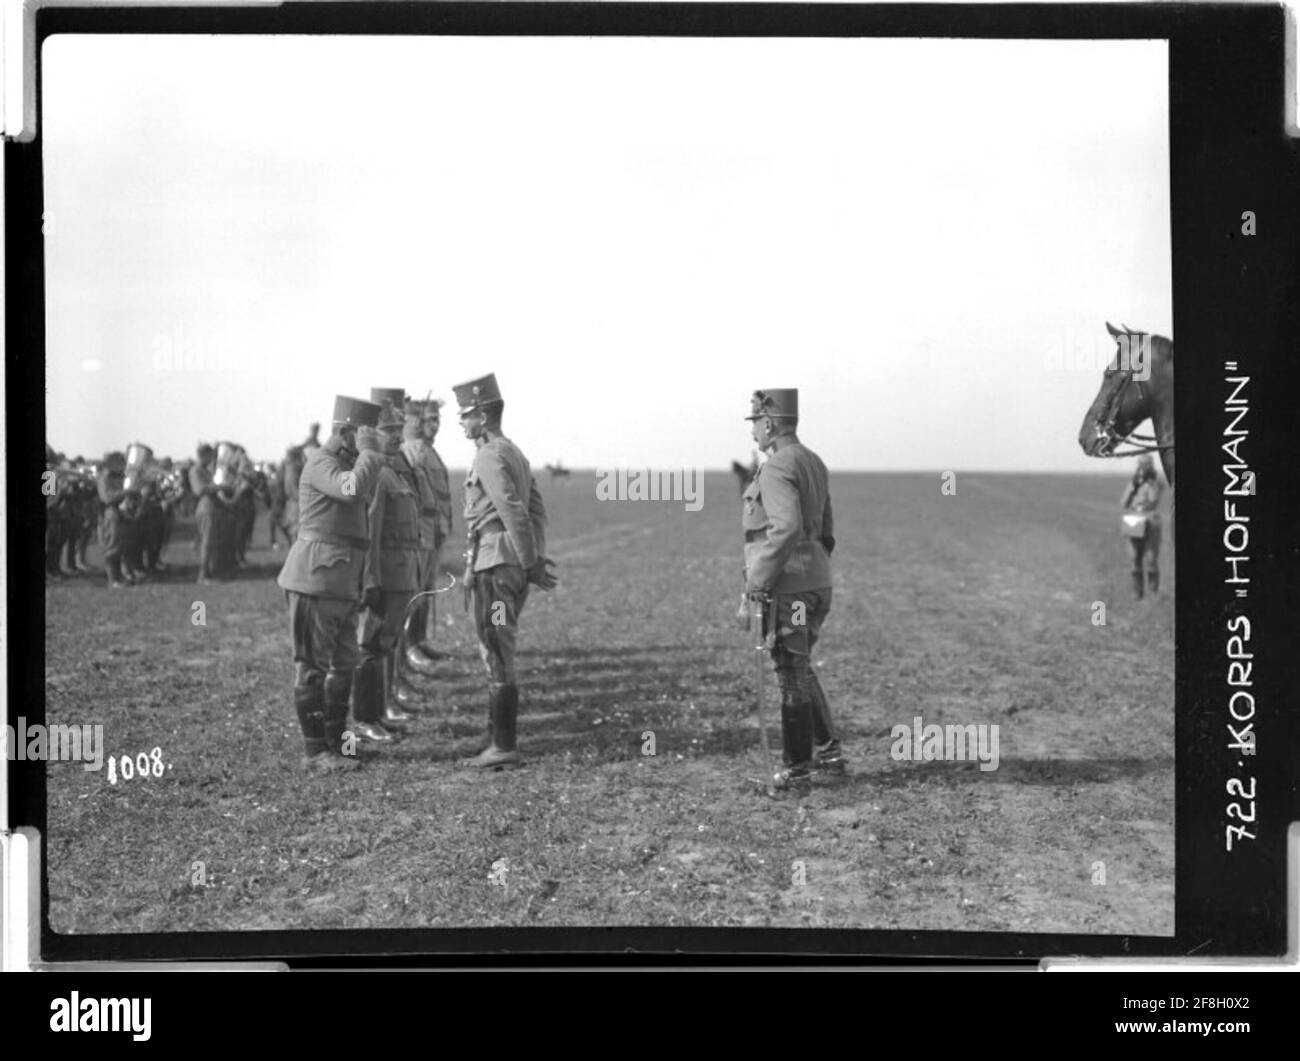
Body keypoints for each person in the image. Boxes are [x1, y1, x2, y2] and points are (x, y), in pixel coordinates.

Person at [741, 388, 845, 797]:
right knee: (800, 668)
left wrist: (758, 583)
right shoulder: (812, 461)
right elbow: (828, 528)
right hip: (817, 581)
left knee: (790, 673)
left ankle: (798, 769)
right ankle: (831, 754)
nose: (753, 433)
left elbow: (784, 528)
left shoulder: (777, 466)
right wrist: (814, 565)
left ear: (769, 423)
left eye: (754, 424)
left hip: (793, 589)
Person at [276, 396, 385, 772]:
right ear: (346, 431)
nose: (372, 441)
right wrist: (371, 453)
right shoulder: (321, 462)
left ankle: (340, 745)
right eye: (366, 434)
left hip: (341, 584)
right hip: (315, 582)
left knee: (344, 665)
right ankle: (316, 753)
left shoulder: (348, 463)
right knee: (312, 668)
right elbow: (352, 490)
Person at [454, 373, 556, 769]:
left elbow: (514, 511)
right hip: (507, 563)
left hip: (496, 566)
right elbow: (536, 511)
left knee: (496, 646)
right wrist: (533, 559)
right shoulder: (514, 452)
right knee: (498, 644)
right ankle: (497, 735)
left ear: (481, 414)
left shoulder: (489, 456)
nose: (461, 422)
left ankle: (504, 745)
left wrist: (531, 562)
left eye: (465, 414)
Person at [350, 399, 422, 743]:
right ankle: (364, 719)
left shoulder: (392, 472)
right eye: (388, 430)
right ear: (371, 435)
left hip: (402, 575)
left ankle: (377, 713)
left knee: (386, 644)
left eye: (397, 429)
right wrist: (371, 579)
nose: (395, 436)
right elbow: (370, 534)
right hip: (386, 577)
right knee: (371, 647)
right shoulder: (378, 476)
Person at [401, 397, 454, 670]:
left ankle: (418, 641)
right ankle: (409, 646)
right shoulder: (413, 451)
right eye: (431, 419)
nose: (436, 424)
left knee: (426, 589)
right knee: (415, 591)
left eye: (438, 419)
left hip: (433, 535)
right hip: (420, 537)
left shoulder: (429, 451)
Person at [97, 451, 143, 588]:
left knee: (121, 546)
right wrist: (127, 491)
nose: (122, 464)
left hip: (123, 513)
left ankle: (119, 577)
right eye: (119, 462)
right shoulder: (104, 478)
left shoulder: (120, 476)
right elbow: (107, 497)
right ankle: (113, 580)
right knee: (113, 547)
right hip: (112, 513)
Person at [1121, 453, 1163, 598]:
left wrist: (1149, 483)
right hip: (1134, 522)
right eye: (1140, 465)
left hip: (1151, 521)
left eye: (1145, 465)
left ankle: (1153, 591)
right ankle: (1136, 591)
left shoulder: (1156, 482)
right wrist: (1133, 486)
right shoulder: (1134, 483)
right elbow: (1124, 503)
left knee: (1151, 558)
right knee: (1134, 558)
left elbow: (1153, 500)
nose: (1142, 468)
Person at [190, 444, 227, 584]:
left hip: (211, 509)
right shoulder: (196, 470)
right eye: (210, 456)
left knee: (211, 543)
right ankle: (203, 575)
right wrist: (220, 487)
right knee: (206, 543)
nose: (212, 459)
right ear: (204, 455)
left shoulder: (205, 470)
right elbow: (199, 490)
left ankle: (209, 572)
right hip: (206, 509)